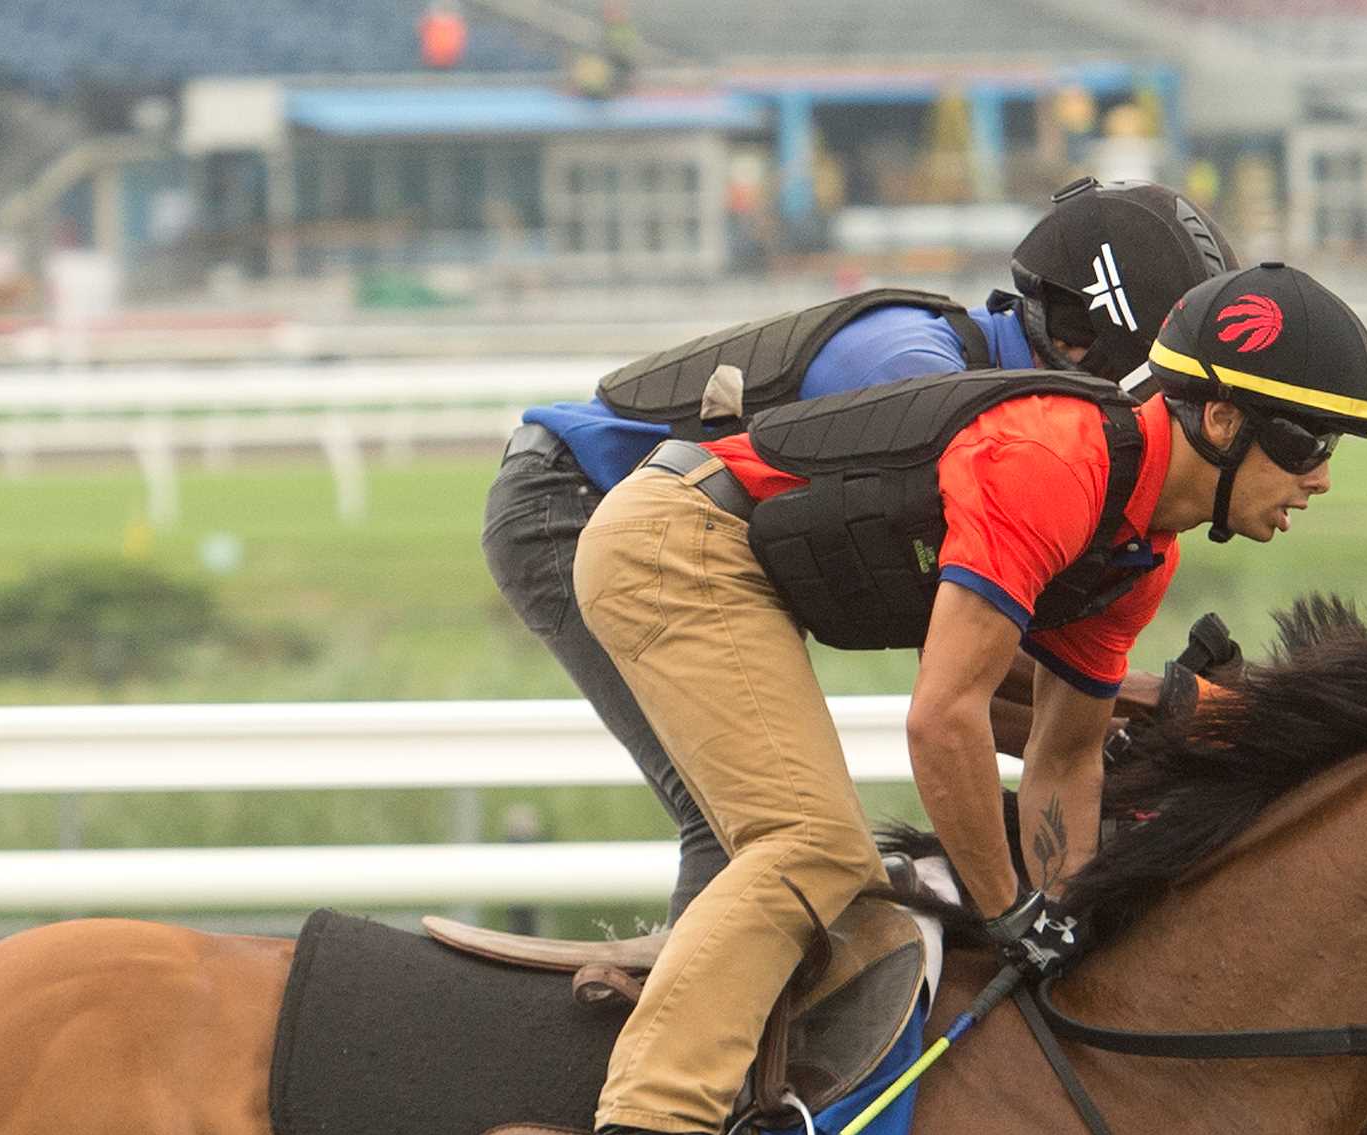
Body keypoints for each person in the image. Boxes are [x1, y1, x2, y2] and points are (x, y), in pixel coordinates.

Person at [574, 259, 1367, 1135]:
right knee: (812, 845)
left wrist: (1069, 915)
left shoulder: (1141, 552)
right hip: (674, 542)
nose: (1322, 475)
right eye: (1308, 439)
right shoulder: (1055, 463)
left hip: (738, 559)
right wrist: (1010, 911)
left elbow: (1063, 753)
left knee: (848, 862)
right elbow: (944, 716)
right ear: (1220, 419)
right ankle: (645, 1132)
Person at [483, 180, 1234, 921]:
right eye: (1153, 389)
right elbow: (964, 674)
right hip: (572, 504)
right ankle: (679, 1039)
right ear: (1078, 344)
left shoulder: (997, 403)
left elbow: (998, 694)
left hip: (658, 524)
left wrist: (1105, 725)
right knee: (743, 829)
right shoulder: (911, 371)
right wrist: (1156, 701)